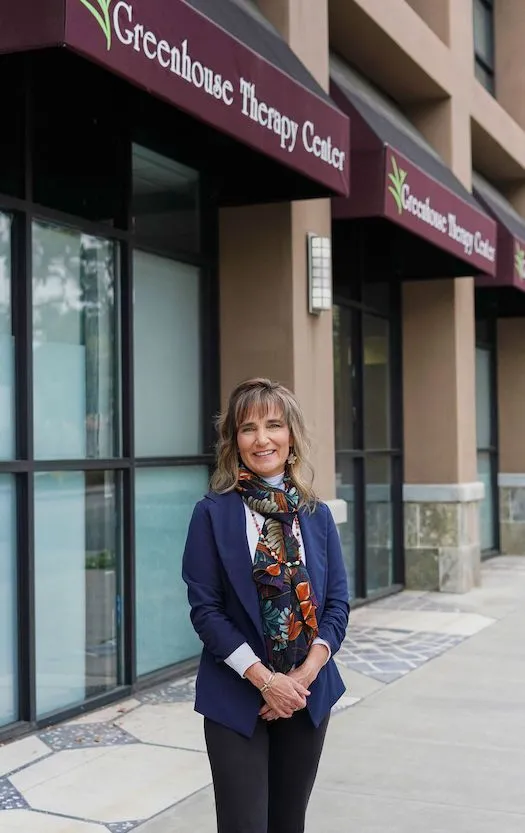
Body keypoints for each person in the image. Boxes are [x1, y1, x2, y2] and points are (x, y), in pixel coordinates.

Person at [182, 377, 350, 833]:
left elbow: (336, 604)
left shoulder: (315, 514)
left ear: (290, 436)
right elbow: (206, 610)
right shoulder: (212, 513)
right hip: (237, 697)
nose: (262, 439)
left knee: (287, 823)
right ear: (234, 441)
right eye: (248, 428)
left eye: (273, 425)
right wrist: (265, 680)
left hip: (307, 695)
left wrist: (301, 678)